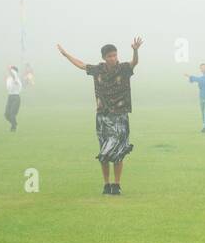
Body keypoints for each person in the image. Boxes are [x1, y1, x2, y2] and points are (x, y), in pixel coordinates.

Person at [57, 38, 142, 195]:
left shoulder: (123, 69)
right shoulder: (98, 70)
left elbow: (134, 63)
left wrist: (135, 50)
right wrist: (66, 55)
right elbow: (81, 65)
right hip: (103, 117)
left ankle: (117, 184)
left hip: (120, 116)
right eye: (110, 56)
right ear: (104, 57)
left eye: (115, 55)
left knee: (119, 152)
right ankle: (106, 184)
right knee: (104, 152)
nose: (113, 58)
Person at [186, 62, 205, 133]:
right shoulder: (201, 77)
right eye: (202, 68)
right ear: (200, 69)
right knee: (203, 113)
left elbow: (199, 80)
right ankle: (204, 125)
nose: (204, 68)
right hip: (202, 99)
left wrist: (190, 76)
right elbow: (195, 80)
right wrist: (190, 78)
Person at [4, 65, 23, 132]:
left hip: (16, 97)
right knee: (6, 114)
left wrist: (10, 69)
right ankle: (14, 124)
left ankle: (13, 127)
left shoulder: (16, 78)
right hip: (10, 97)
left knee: (12, 114)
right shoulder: (9, 78)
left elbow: (14, 74)